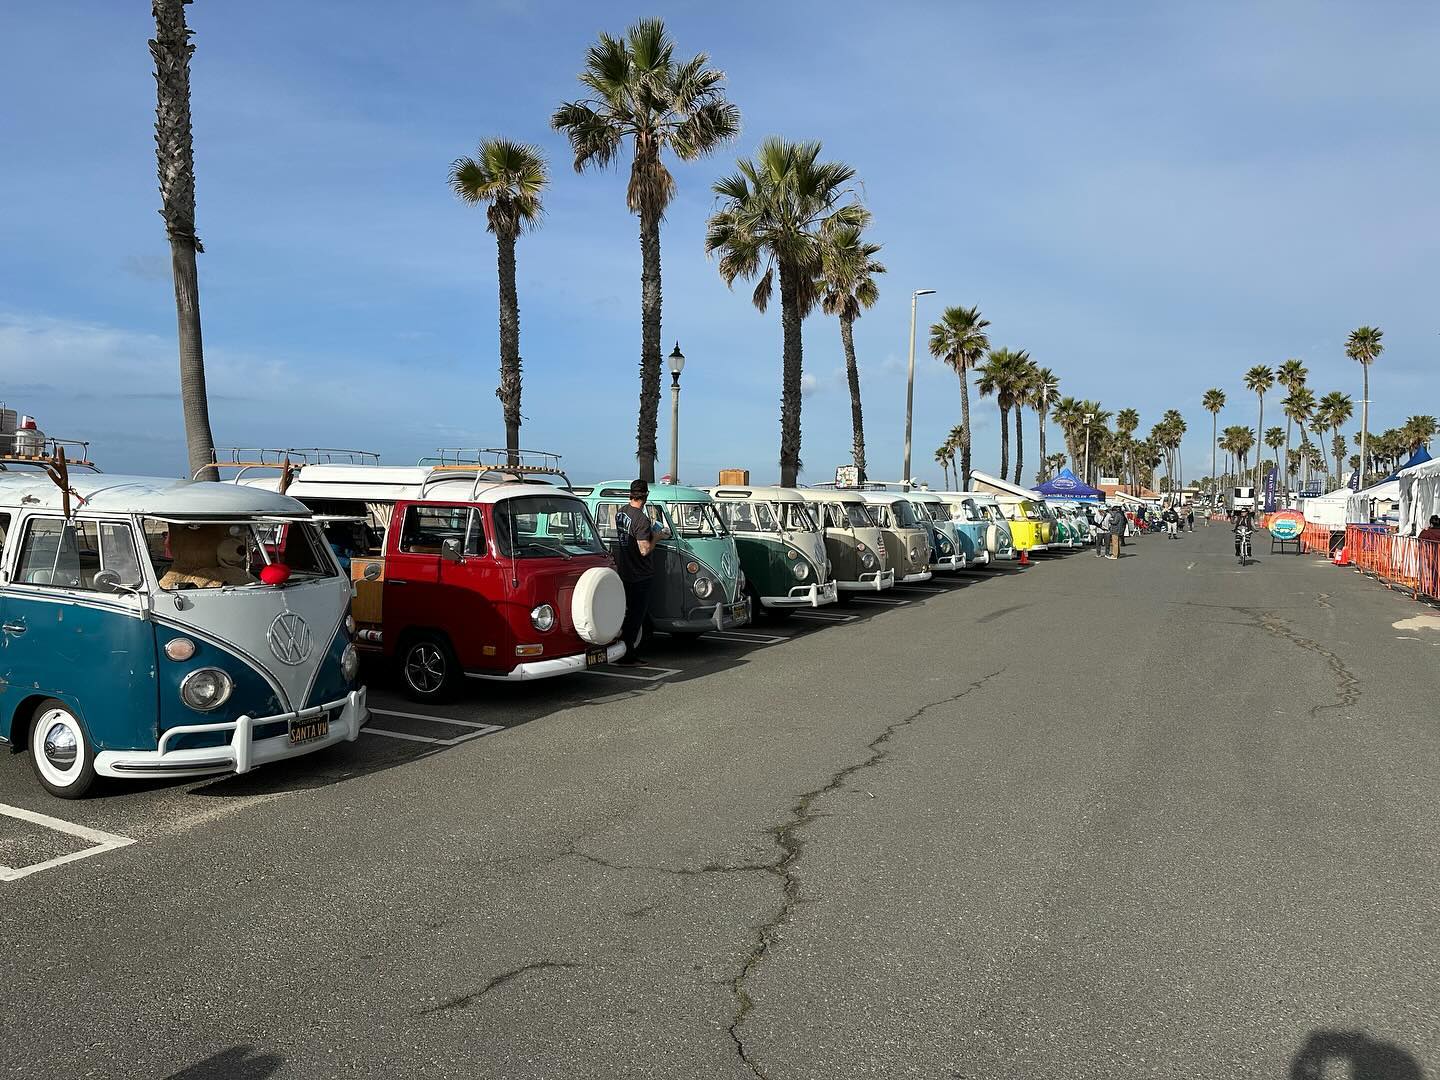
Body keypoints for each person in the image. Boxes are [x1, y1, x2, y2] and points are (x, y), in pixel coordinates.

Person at [613, 479, 669, 665]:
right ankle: (627, 655)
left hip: (624, 570)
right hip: (640, 574)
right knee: (635, 616)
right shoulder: (642, 519)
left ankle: (619, 650)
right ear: (645, 496)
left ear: (631, 494)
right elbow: (644, 549)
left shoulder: (620, 513)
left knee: (624, 613)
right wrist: (657, 537)